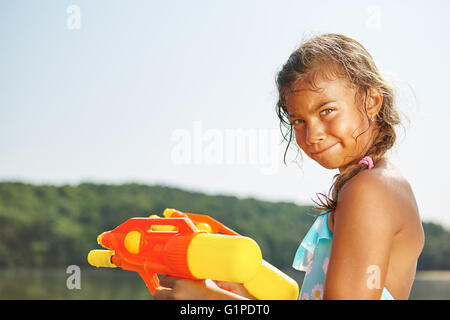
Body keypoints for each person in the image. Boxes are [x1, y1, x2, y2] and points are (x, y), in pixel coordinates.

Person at [154, 33, 424, 300]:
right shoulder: (375, 183)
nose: (312, 134)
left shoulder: (370, 189)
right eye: (298, 121)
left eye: (327, 110)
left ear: (371, 101)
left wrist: (214, 302)